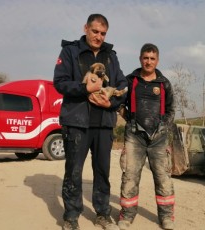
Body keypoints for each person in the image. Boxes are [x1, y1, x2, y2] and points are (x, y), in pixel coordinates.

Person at [53, 14, 127, 230]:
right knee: (74, 171)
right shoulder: (70, 51)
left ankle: (103, 214)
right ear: (86, 28)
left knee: (102, 171)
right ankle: (71, 217)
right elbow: (60, 82)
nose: (99, 37)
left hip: (104, 123)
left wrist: (110, 104)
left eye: (103, 33)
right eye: (95, 31)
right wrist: (85, 88)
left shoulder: (111, 56)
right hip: (77, 122)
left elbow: (122, 84)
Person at [118, 43, 176, 230]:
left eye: (152, 58)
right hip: (134, 137)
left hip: (159, 139)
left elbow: (171, 110)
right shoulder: (129, 80)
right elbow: (119, 103)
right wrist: (130, 120)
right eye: (145, 58)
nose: (148, 61)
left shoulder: (164, 83)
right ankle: (126, 216)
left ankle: (166, 217)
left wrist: (163, 127)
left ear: (157, 60)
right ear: (140, 59)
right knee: (130, 177)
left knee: (163, 178)